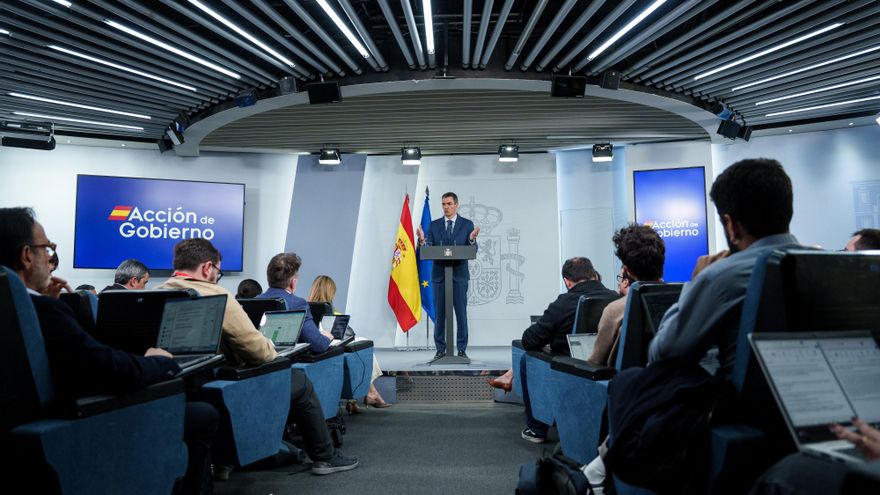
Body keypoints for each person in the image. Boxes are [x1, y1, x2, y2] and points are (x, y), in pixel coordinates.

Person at [0, 207, 218, 494]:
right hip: (81, 421)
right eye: (48, 249)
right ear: (27, 255)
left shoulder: (19, 308)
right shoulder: (43, 310)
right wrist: (160, 363)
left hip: (27, 434)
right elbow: (107, 369)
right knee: (204, 414)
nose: (51, 258)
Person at [156, 240, 357, 475]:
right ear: (207, 268)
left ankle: (224, 461)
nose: (217, 277)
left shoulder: (157, 292)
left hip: (173, 388)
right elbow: (256, 349)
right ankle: (325, 457)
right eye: (218, 272)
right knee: (299, 381)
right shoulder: (217, 295)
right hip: (226, 381)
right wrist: (270, 346)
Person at [648, 158, 801, 379]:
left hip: (742, 411)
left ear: (731, 225)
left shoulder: (721, 279)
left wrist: (695, 282)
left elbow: (662, 355)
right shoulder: (830, 266)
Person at [519, 257, 618, 443]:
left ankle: (537, 429)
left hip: (569, 368)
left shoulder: (563, 303)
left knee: (527, 358)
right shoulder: (616, 298)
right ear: (594, 275)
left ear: (567, 281)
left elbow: (530, 340)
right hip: (608, 365)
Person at [307, 275, 391, 410]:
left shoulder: (306, 309)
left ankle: (360, 397)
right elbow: (349, 334)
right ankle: (370, 393)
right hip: (329, 346)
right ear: (330, 292)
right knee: (364, 345)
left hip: (315, 346)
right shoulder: (332, 311)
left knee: (358, 348)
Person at [588, 224, 665, 367]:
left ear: (627, 271)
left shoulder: (615, 311)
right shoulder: (684, 299)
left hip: (630, 386)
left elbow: (595, 363)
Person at [416, 192, 480, 359]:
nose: (446, 207)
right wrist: (422, 241)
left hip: (459, 276)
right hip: (439, 276)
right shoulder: (434, 225)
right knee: (440, 314)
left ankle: (461, 349)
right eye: (443, 204)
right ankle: (440, 349)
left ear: (456, 205)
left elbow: (472, 248)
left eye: (449, 204)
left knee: (461, 313)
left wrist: (472, 240)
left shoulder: (467, 224)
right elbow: (428, 246)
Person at [257, 252, 332, 353]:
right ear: (293, 282)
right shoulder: (298, 304)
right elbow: (318, 345)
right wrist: (327, 337)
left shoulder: (254, 300)